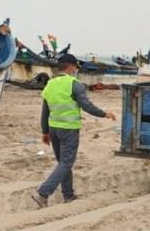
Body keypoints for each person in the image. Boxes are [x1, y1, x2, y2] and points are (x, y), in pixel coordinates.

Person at [32, 54, 116, 208]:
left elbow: (45, 110)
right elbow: (87, 106)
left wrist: (45, 131)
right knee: (66, 162)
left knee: (63, 163)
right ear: (70, 67)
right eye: (76, 67)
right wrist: (105, 114)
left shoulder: (50, 84)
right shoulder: (75, 84)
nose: (76, 70)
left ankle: (68, 195)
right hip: (69, 130)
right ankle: (43, 193)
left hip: (53, 129)